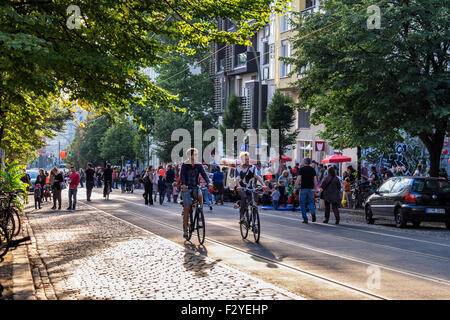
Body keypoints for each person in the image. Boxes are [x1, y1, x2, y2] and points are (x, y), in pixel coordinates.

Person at [180, 148, 211, 240]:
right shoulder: (185, 165)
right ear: (190, 156)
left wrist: (208, 182)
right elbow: (182, 176)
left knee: (200, 195)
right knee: (187, 207)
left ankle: (200, 211)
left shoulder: (199, 165)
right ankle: (185, 230)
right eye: (195, 154)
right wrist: (183, 184)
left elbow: (204, 174)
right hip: (186, 188)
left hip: (195, 187)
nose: (197, 156)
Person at [236, 151, 266, 224]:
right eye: (246, 159)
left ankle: (254, 224)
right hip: (242, 188)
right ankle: (242, 216)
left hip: (251, 187)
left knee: (255, 204)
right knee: (244, 197)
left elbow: (258, 177)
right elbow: (236, 180)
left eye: (248, 159)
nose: (247, 161)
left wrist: (263, 184)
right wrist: (239, 186)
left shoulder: (252, 167)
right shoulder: (238, 168)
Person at [295, 158, 318, 224]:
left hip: (303, 188)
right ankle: (313, 212)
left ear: (305, 162)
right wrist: (315, 189)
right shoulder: (312, 170)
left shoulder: (301, 169)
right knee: (310, 202)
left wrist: (295, 187)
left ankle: (305, 219)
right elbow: (315, 180)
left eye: (302, 161)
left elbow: (298, 179)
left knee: (302, 203)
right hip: (311, 189)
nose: (301, 162)